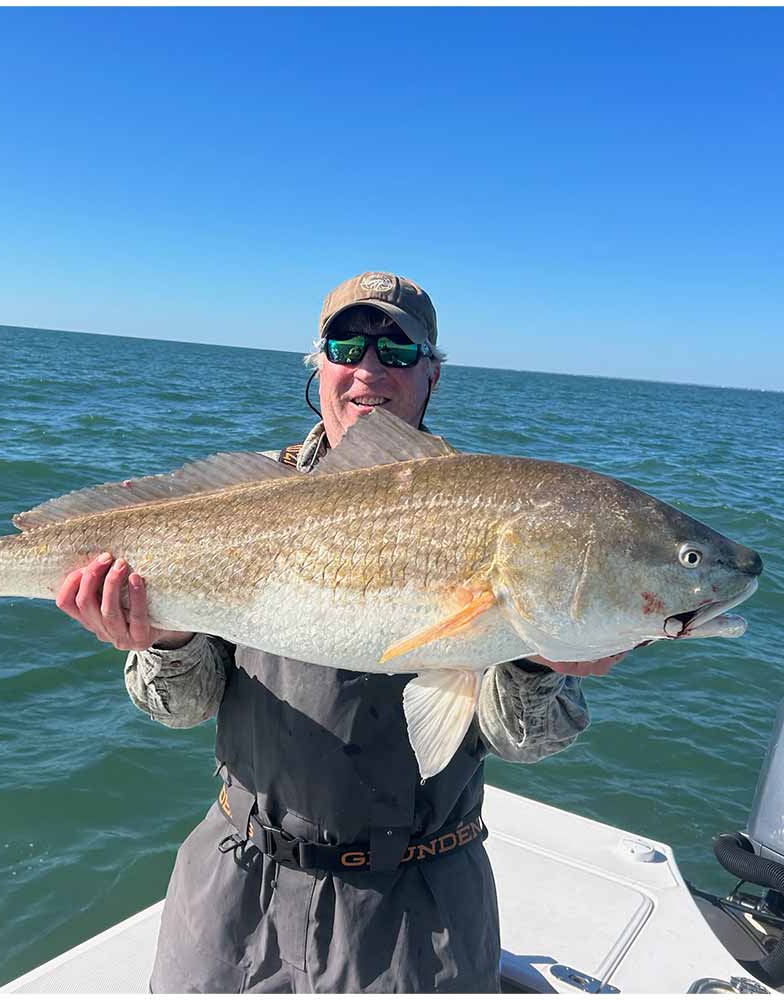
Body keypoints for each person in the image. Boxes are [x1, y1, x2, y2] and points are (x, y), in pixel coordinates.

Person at [56, 271, 626, 992]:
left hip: (424, 915)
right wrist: (162, 641)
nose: (369, 371)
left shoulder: (503, 516)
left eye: (398, 349)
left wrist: (538, 665)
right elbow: (179, 708)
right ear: (318, 364)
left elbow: (525, 742)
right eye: (346, 344)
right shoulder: (239, 497)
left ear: (432, 374)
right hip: (238, 891)